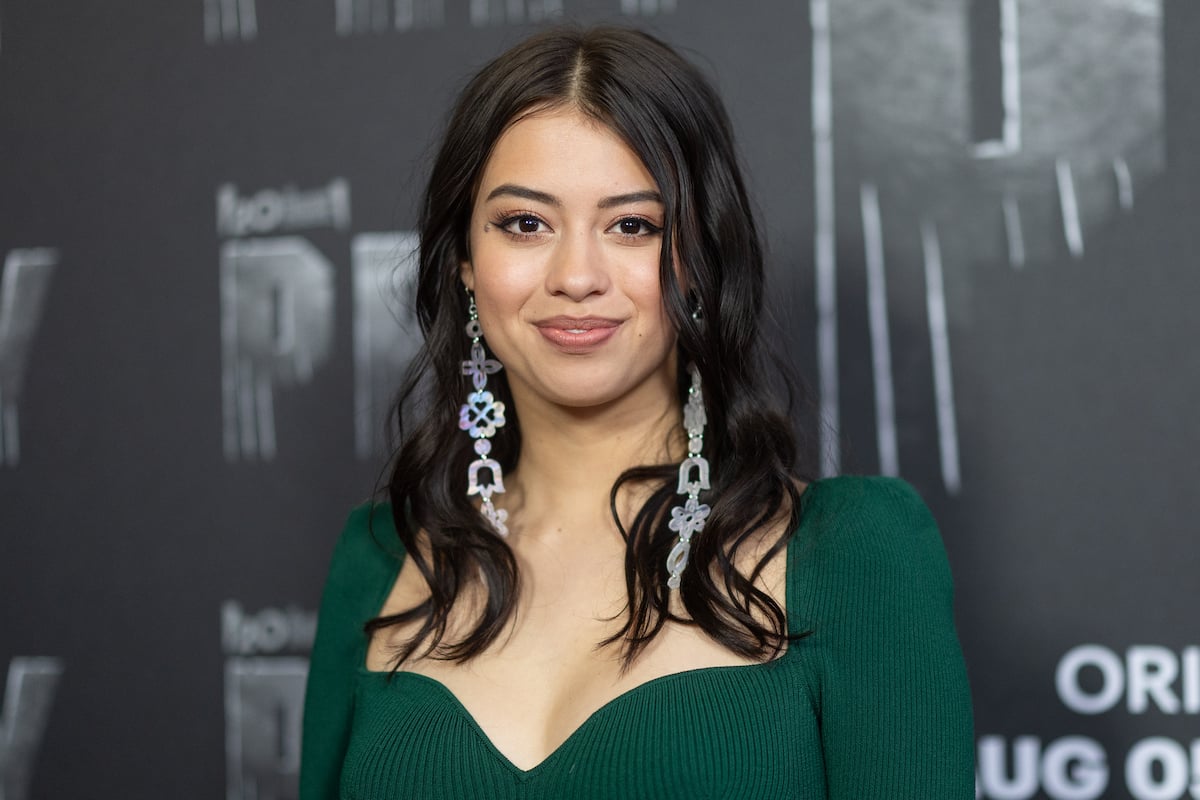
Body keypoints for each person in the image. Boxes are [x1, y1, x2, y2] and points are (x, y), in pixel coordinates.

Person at [301, 25, 974, 799]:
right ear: (464, 263)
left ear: (701, 260)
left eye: (633, 225)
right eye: (525, 223)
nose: (576, 275)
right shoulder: (378, 559)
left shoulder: (852, 551)